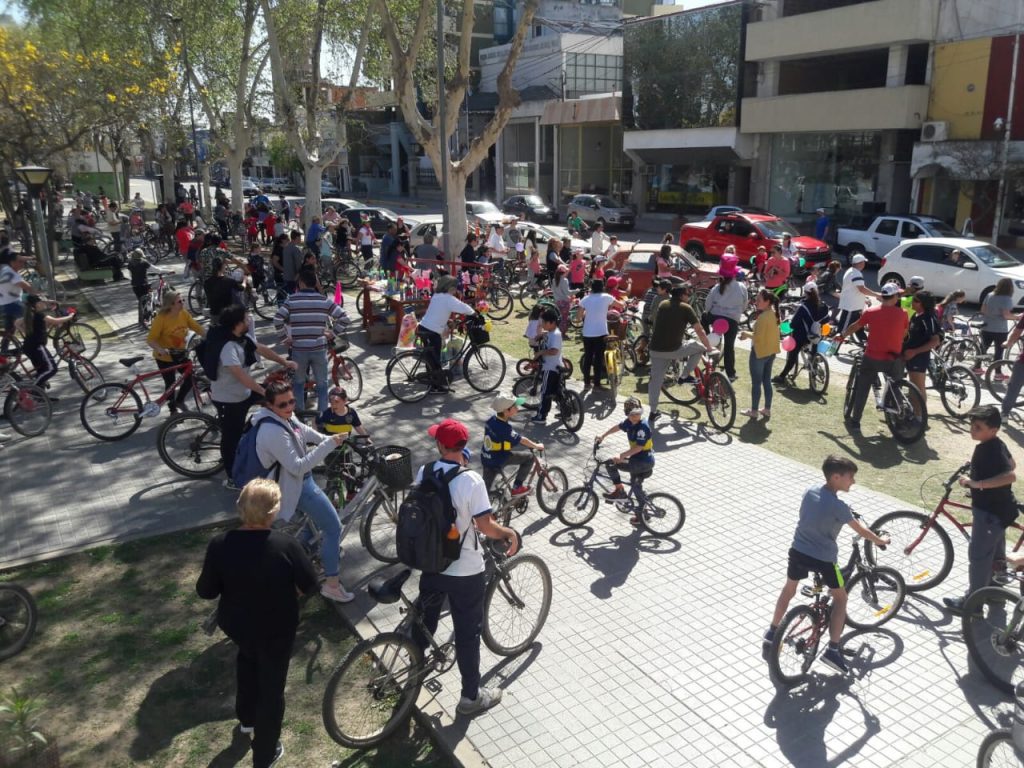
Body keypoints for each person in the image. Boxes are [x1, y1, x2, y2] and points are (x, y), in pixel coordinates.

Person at [196, 479, 317, 768]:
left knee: (248, 663)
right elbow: (310, 584)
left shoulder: (220, 544)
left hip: (237, 626)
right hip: (276, 627)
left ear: (240, 508)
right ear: (273, 513)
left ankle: (247, 720)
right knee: (272, 688)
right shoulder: (285, 544)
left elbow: (206, 591)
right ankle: (264, 753)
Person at [412, 417, 519, 715]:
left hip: (432, 563)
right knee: (467, 632)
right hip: (465, 570)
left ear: (440, 445)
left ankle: (413, 668)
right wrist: (508, 533)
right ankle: (471, 697)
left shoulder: (426, 470)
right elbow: (485, 526)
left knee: (425, 619)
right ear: (462, 447)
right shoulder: (471, 480)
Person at [763, 455, 890, 673]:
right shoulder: (839, 507)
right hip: (824, 560)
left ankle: (773, 631)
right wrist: (880, 540)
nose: (853, 482)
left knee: (789, 588)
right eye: (850, 477)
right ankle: (832, 650)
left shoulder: (810, 490)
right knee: (841, 598)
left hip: (798, 551)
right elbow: (861, 531)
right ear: (836, 477)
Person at [253, 374, 353, 602]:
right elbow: (297, 467)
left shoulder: (283, 418)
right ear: (269, 405)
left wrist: (330, 438)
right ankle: (332, 584)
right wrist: (328, 445)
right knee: (333, 528)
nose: (289, 407)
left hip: (298, 482)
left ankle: (303, 562)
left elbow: (304, 432)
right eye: (283, 404)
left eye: (291, 401)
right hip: (295, 486)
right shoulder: (272, 431)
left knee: (312, 528)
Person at [943, 406, 1018, 614]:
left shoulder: (989, 449)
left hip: (989, 513)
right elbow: (1011, 464)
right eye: (971, 425)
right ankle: (995, 593)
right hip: (1003, 511)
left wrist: (977, 484)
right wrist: (976, 467)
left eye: (978, 427)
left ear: (993, 429)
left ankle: (973, 604)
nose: (972, 430)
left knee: (978, 558)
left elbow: (1011, 476)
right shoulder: (996, 444)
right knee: (995, 556)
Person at [211, 304, 296, 488]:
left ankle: (262, 437)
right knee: (230, 439)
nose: (250, 319)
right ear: (238, 323)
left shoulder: (242, 338)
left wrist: (284, 361)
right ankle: (232, 478)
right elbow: (240, 375)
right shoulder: (228, 347)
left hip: (244, 392)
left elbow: (261, 349)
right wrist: (262, 390)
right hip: (229, 398)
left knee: (274, 401)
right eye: (247, 317)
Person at [838, 282, 910, 433]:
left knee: (862, 388)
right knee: (896, 388)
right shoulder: (903, 313)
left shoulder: (871, 312)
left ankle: (856, 421)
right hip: (894, 357)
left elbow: (856, 326)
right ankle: (898, 420)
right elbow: (904, 334)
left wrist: (842, 335)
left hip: (873, 356)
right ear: (895, 297)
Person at [273, 268, 347, 410]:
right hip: (319, 349)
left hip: (299, 350)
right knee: (322, 385)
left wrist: (284, 338)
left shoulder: (292, 300)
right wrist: (333, 333)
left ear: (300, 283)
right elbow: (344, 318)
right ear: (315, 283)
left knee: (299, 384)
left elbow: (278, 318)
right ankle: (322, 416)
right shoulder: (323, 300)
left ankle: (300, 418)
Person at [646, 282, 714, 421]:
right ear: (682, 296)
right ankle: (684, 375)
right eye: (688, 294)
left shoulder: (663, 304)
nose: (689, 297)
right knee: (699, 347)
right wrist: (709, 347)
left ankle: (653, 412)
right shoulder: (686, 308)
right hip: (674, 349)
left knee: (655, 382)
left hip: (655, 349)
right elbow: (699, 330)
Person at [146, 290, 206, 413]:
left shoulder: (183, 313)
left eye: (183, 300)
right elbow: (150, 339)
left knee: (190, 379)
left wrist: (210, 336)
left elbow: (196, 327)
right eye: (180, 301)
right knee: (170, 384)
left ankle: (179, 401)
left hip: (180, 354)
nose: (183, 302)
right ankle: (172, 410)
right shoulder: (161, 318)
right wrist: (160, 350)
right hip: (165, 357)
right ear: (171, 304)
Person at [594, 398, 654, 519]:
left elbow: (638, 448)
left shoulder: (642, 427)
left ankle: (620, 492)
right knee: (636, 486)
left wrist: (621, 456)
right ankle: (643, 514)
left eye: (638, 413)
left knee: (611, 463)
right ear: (628, 414)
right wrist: (603, 436)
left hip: (642, 461)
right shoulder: (630, 422)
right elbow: (618, 427)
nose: (635, 416)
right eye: (632, 414)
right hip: (638, 460)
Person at [417, 275, 475, 390]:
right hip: (432, 331)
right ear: (450, 288)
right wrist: (475, 313)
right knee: (435, 359)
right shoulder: (449, 299)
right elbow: (464, 307)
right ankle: (435, 386)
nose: (455, 291)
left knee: (431, 359)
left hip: (424, 327)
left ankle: (433, 382)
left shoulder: (437, 295)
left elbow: (437, 312)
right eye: (454, 288)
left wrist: (448, 321)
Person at [480, 393, 545, 492]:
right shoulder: (504, 428)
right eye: (515, 406)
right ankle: (517, 487)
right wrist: (536, 446)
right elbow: (522, 440)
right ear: (506, 411)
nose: (517, 408)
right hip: (499, 459)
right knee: (529, 458)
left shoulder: (491, 420)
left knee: (484, 492)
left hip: (486, 457)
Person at [704, 251, 747, 381]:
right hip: (732, 321)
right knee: (729, 347)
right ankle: (731, 373)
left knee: (705, 322)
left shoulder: (717, 287)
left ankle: (710, 361)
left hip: (716, 319)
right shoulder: (741, 287)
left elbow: (707, 306)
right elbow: (744, 306)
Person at [774, 283, 829, 384]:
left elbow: (793, 324)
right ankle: (814, 374)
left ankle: (782, 377)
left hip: (802, 337)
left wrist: (783, 327)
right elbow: (827, 320)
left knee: (793, 355)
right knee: (813, 353)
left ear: (805, 293)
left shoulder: (803, 307)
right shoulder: (823, 306)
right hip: (817, 335)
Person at [741, 289, 781, 421]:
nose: (756, 302)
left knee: (756, 383)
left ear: (767, 301)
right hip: (771, 353)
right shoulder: (773, 314)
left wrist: (745, 334)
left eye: (759, 300)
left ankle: (753, 411)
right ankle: (767, 409)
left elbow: (757, 337)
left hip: (759, 353)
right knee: (766, 381)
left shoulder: (763, 317)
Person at [21, 296, 74, 391]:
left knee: (42, 369)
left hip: (30, 347)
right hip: (36, 347)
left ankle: (39, 395)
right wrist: (70, 316)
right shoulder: (39, 315)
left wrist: (26, 332)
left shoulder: (31, 315)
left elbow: (17, 323)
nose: (44, 303)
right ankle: (31, 389)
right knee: (51, 368)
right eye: (41, 302)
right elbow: (55, 321)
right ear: (36, 305)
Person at [901, 290, 942, 411]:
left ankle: (919, 417)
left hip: (919, 358)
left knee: (918, 388)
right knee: (912, 387)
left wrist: (915, 352)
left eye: (915, 300)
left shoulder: (928, 318)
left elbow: (935, 341)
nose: (912, 302)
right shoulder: (916, 315)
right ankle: (913, 412)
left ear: (922, 303)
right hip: (909, 356)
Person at [578, 280, 620, 391]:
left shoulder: (585, 299)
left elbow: (578, 317)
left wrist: (588, 313)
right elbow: (620, 305)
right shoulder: (607, 297)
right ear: (602, 287)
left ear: (592, 287)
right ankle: (597, 384)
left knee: (588, 357)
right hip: (601, 332)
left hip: (587, 332)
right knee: (598, 358)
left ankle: (586, 383)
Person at [835, 254, 877, 345]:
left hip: (854, 306)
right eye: (864, 262)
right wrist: (877, 295)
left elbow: (856, 288)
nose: (865, 264)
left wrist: (865, 298)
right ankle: (832, 349)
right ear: (860, 263)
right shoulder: (856, 273)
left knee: (859, 327)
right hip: (851, 307)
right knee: (842, 330)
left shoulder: (851, 271)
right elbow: (861, 289)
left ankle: (866, 346)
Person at [533, 308, 566, 423]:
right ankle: (566, 412)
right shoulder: (552, 332)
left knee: (545, 392)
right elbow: (549, 334)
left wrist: (540, 353)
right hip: (555, 366)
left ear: (551, 323)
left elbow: (554, 351)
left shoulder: (556, 335)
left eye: (544, 322)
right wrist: (542, 334)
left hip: (550, 368)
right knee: (558, 392)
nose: (542, 324)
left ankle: (541, 416)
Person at [978, 278, 1018, 371]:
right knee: (999, 351)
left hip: (986, 326)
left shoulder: (989, 295)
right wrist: (1017, 317)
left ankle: (977, 367)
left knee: (983, 349)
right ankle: (997, 373)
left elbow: (983, 310)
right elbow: (1006, 315)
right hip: (1000, 329)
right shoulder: (1007, 298)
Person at [0, 250, 32, 350]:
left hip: (4, 304)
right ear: (12, 262)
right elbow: (27, 286)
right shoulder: (11, 273)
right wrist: (37, 293)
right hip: (13, 304)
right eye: (20, 261)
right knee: (31, 322)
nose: (22, 264)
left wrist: (30, 258)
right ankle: (32, 346)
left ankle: (4, 354)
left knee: (9, 331)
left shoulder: (5, 269)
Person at [205, 257, 243, 325]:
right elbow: (242, 288)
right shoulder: (229, 281)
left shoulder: (207, 282)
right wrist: (245, 280)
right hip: (227, 315)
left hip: (214, 314)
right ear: (222, 266)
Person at [550, 264, 572, 335]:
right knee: (564, 318)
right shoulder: (565, 280)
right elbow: (567, 292)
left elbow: (553, 290)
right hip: (565, 301)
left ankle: (556, 330)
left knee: (559, 317)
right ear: (564, 272)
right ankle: (562, 332)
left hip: (557, 301)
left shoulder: (554, 280)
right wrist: (577, 290)